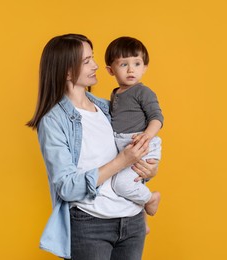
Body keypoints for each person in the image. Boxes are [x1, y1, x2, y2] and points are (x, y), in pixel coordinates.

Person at [27, 34, 159, 260]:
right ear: (67, 71)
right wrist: (121, 162)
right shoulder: (53, 121)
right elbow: (66, 187)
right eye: (87, 61)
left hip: (132, 221)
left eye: (93, 58)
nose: (96, 65)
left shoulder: (109, 108)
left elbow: (134, 151)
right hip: (89, 225)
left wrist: (149, 170)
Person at [105, 36, 163, 233]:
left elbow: (157, 118)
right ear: (110, 70)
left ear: (145, 67)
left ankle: (151, 198)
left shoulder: (142, 92)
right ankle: (142, 220)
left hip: (141, 143)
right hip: (126, 146)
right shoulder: (116, 94)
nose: (131, 69)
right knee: (130, 183)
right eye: (124, 64)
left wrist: (147, 136)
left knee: (121, 184)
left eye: (137, 63)